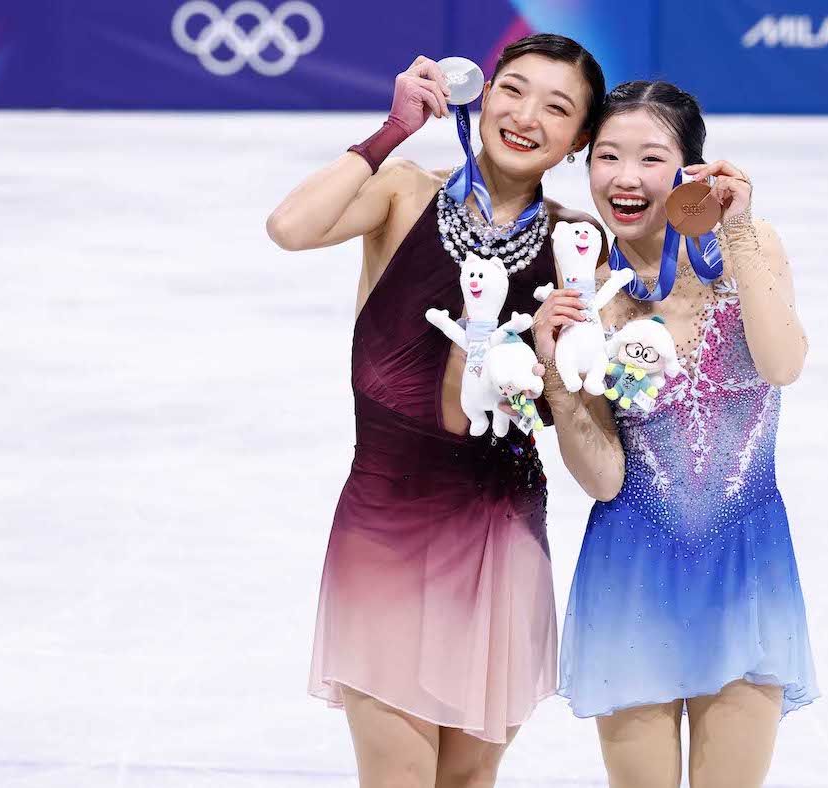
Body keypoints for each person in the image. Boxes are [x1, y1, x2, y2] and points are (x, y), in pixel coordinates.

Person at [266, 35, 606, 788]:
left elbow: (576, 396)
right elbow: (290, 228)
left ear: (580, 137)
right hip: (387, 529)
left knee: (464, 782)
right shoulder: (405, 193)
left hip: (500, 531)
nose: (524, 116)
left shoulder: (577, 243)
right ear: (479, 95)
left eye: (556, 107)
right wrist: (391, 132)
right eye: (511, 91)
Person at [532, 80, 820, 788]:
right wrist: (556, 373)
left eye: (650, 158)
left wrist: (742, 226)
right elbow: (602, 479)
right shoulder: (584, 286)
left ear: (690, 168)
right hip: (631, 569)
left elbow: (781, 363)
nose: (625, 178)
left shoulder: (745, 247)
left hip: (745, 563)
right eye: (606, 157)